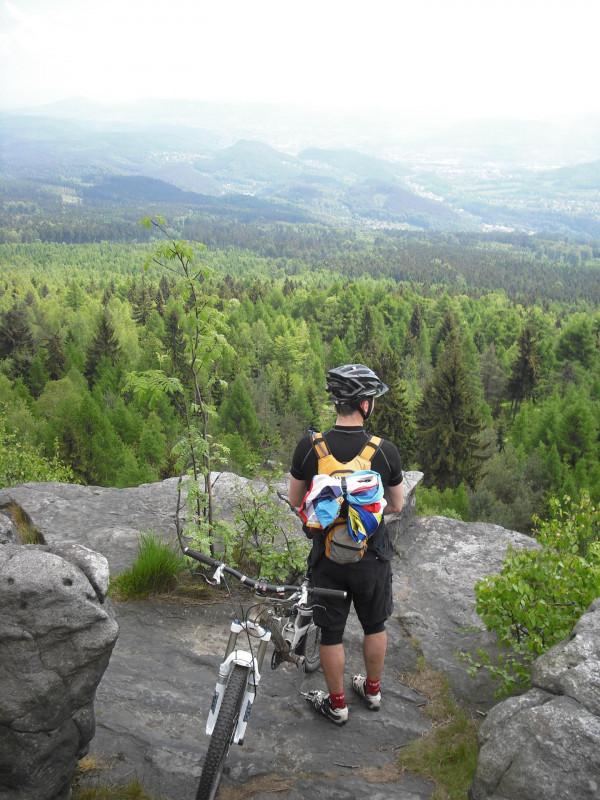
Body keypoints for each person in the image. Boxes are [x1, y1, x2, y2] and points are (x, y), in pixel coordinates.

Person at [288, 364, 404, 725]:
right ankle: (371, 689)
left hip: (327, 559)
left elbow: (295, 499)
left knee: (332, 633)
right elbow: (397, 505)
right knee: (374, 626)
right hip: (372, 556)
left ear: (338, 402)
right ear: (364, 404)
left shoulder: (310, 447)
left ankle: (337, 703)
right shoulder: (384, 451)